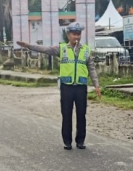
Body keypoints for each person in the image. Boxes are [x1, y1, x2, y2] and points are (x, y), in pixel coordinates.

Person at [17, 22, 101, 150]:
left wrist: (96, 85)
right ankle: (67, 141)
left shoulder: (86, 50)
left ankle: (80, 141)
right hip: (66, 87)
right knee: (66, 114)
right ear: (68, 35)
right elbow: (44, 49)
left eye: (78, 34)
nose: (76, 37)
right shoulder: (62, 49)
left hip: (81, 87)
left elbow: (92, 68)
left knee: (81, 115)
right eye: (74, 34)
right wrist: (28, 46)